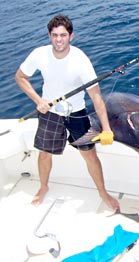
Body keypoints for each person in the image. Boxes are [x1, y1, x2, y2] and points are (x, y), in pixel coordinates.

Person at [15, 14, 119, 211]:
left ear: (71, 36)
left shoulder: (81, 60)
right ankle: (43, 186)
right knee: (44, 154)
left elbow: (96, 97)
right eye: (55, 35)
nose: (59, 39)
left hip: (77, 114)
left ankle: (102, 192)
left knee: (89, 154)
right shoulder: (39, 54)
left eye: (63, 35)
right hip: (50, 113)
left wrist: (106, 129)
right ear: (49, 36)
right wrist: (39, 101)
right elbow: (20, 77)